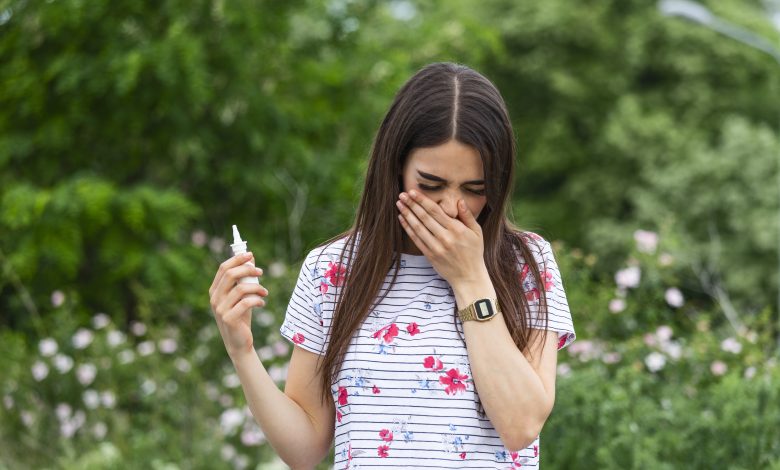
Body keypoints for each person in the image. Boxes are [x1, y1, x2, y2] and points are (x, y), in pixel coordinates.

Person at [208, 62, 576, 469]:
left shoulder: (526, 263)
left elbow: (521, 425)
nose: (451, 207)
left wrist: (470, 279)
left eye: (475, 190)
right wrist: (241, 350)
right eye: (430, 184)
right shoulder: (333, 270)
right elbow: (305, 448)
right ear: (396, 168)